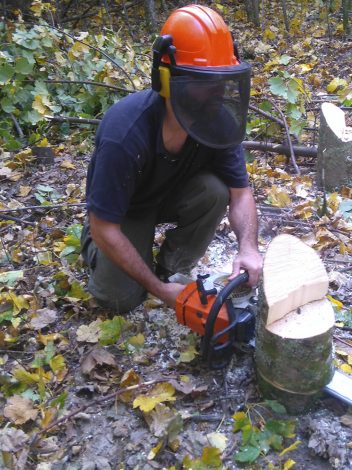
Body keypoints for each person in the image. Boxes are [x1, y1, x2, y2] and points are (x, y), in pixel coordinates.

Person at [81, 4, 262, 313]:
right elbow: (105, 227)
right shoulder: (124, 133)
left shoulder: (217, 120)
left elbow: (240, 192)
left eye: (221, 80)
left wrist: (248, 247)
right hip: (127, 210)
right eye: (204, 82)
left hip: (172, 194)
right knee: (119, 299)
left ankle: (172, 267)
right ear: (168, 80)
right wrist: (158, 290)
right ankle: (95, 251)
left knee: (215, 191)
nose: (216, 92)